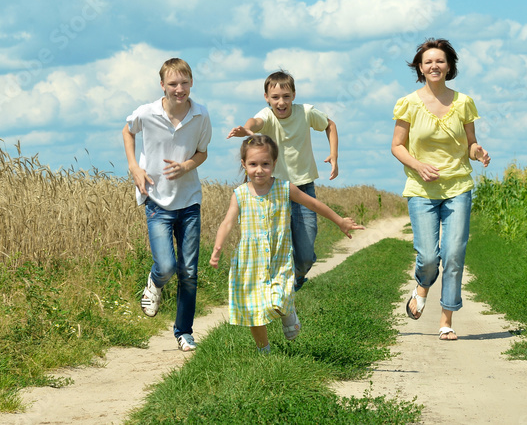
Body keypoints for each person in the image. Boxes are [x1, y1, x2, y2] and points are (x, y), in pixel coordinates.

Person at [209, 135, 362, 354]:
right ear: (244, 165)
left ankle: (288, 312)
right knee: (253, 309)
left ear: (274, 164)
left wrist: (340, 221)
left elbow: (313, 203)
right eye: (253, 164)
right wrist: (217, 249)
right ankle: (264, 350)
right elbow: (227, 222)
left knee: (276, 301)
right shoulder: (240, 194)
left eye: (265, 164)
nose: (259, 170)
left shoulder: (284, 188)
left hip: (277, 258)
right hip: (249, 262)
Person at [390, 39, 491, 341]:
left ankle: (446, 319)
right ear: (420, 68)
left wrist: (478, 152)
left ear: (450, 66)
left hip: (458, 185)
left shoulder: (463, 102)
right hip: (421, 190)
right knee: (429, 257)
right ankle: (422, 287)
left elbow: (470, 143)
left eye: (440, 61)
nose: (434, 66)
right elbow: (397, 146)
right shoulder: (408, 103)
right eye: (428, 62)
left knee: (454, 252)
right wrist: (419, 166)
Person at [122, 58, 212, 352]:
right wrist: (135, 167)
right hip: (157, 201)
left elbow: (202, 153)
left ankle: (183, 332)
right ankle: (155, 281)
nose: (179, 89)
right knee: (167, 266)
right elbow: (127, 131)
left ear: (191, 83)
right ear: (162, 85)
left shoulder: (200, 115)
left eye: (184, 83)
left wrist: (186, 166)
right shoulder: (147, 113)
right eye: (173, 84)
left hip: (189, 202)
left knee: (189, 271)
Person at [226, 70, 338, 290]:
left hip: (304, 189)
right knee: (274, 245)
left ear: (294, 95)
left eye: (286, 96)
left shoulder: (305, 113)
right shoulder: (267, 116)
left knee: (305, 255)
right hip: (275, 190)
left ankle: (297, 275)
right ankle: (275, 285)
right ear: (267, 98)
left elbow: (330, 125)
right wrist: (247, 129)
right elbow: (255, 121)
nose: (281, 102)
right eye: (275, 97)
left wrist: (334, 154)